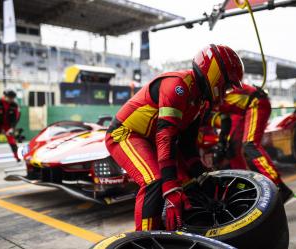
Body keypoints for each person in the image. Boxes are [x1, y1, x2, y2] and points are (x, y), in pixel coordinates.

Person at [105, 44, 244, 231]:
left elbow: (187, 144)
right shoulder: (178, 85)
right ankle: (145, 240)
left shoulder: (201, 101)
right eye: (227, 86)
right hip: (126, 134)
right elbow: (166, 137)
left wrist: (200, 174)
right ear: (215, 75)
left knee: (191, 185)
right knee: (154, 182)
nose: (226, 92)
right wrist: (170, 189)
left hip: (154, 139)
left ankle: (174, 232)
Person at [210, 83, 294, 203]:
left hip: (256, 103)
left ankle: (280, 187)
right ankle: (246, 186)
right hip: (243, 111)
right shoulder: (210, 97)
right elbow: (225, 119)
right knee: (232, 150)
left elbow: (223, 117)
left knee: (250, 145)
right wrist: (222, 141)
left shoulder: (211, 92)